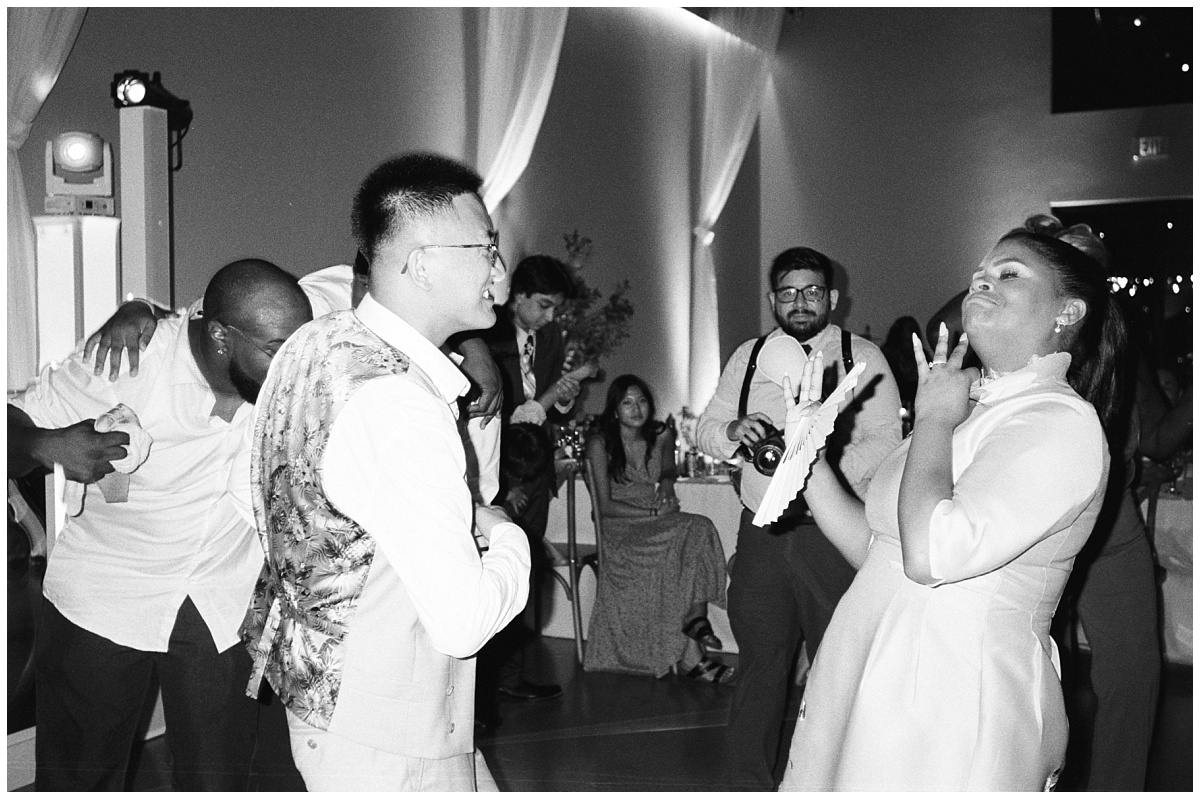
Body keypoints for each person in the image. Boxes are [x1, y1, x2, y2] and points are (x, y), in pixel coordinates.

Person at [779, 213, 1129, 791]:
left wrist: (935, 418)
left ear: (1067, 312)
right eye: (978, 273)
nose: (981, 281)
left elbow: (933, 554)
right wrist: (806, 455)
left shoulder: (1062, 422)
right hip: (874, 665)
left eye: (1008, 273)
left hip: (954, 692)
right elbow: (881, 552)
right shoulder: (967, 405)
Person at [240, 152, 530, 791]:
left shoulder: (313, 345)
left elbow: (253, 493)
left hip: (328, 709)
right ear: (423, 263)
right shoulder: (400, 401)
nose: (499, 269)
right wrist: (508, 534)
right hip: (395, 734)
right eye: (486, 248)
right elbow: (463, 622)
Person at [8, 259, 312, 791]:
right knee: (80, 780)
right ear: (220, 336)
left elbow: (369, 293)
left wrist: (474, 348)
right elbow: (14, 419)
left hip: (218, 602)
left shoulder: (283, 356)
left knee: (218, 780)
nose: (293, 368)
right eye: (275, 351)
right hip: (104, 595)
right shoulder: (126, 361)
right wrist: (45, 445)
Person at [695, 246, 901, 790]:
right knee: (760, 667)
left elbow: (887, 442)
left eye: (812, 291)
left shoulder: (863, 358)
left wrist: (813, 466)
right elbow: (706, 429)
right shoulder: (749, 355)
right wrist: (734, 435)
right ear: (773, 300)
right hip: (761, 531)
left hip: (831, 536)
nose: (800, 302)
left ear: (833, 297)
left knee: (836, 671)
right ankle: (748, 785)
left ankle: (833, 782)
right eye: (788, 292)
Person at [471, 254, 584, 713]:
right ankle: (481, 690)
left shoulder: (551, 336)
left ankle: (513, 676)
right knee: (489, 569)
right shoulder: (484, 333)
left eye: (555, 308)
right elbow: (488, 409)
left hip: (536, 470)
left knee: (524, 571)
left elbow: (544, 402)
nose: (550, 317)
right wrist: (506, 483)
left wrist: (562, 402)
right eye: (542, 305)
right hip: (497, 471)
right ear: (516, 297)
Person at [582, 375, 731, 681]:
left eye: (642, 401)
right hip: (620, 526)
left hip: (655, 519)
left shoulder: (660, 433)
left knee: (699, 528)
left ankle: (696, 618)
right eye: (627, 402)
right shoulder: (600, 444)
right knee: (686, 534)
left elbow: (667, 467)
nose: (636, 409)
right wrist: (650, 512)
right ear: (614, 410)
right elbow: (604, 506)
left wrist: (665, 480)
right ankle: (693, 653)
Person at [880, 315, 929, 435]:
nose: (911, 334)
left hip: (918, 411)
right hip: (893, 411)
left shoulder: (923, 355)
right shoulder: (887, 355)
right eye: (908, 331)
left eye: (914, 330)